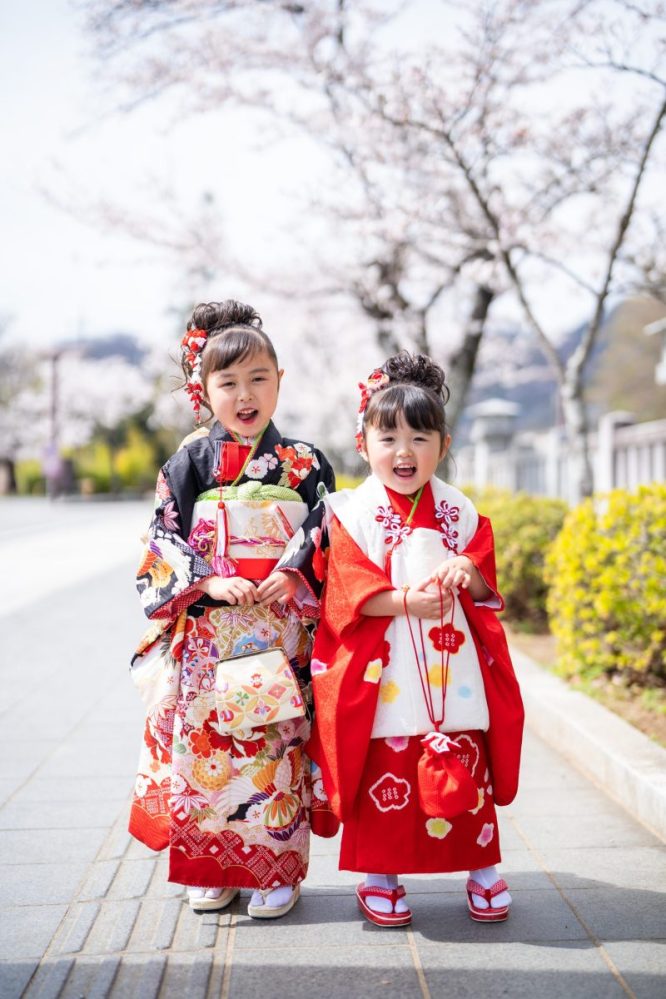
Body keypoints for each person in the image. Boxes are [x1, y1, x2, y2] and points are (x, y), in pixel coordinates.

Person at [129, 299, 336, 919]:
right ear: (204, 389)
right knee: (208, 750)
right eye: (228, 383)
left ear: (279, 381)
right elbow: (163, 538)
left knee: (275, 744)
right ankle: (211, 868)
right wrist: (209, 583)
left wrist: (292, 569)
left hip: (279, 628)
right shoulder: (188, 462)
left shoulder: (304, 462)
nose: (245, 395)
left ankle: (277, 869)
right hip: (212, 629)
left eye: (258, 379)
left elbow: (328, 529)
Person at [308, 352, 524, 927]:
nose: (404, 453)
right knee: (385, 771)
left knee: (464, 760)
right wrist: (407, 602)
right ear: (363, 444)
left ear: (443, 445)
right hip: (387, 672)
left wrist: (466, 574)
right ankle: (380, 875)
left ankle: (482, 868)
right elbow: (347, 593)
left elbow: (484, 579)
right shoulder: (352, 512)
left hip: (452, 671)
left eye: (420, 438)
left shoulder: (460, 510)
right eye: (389, 437)